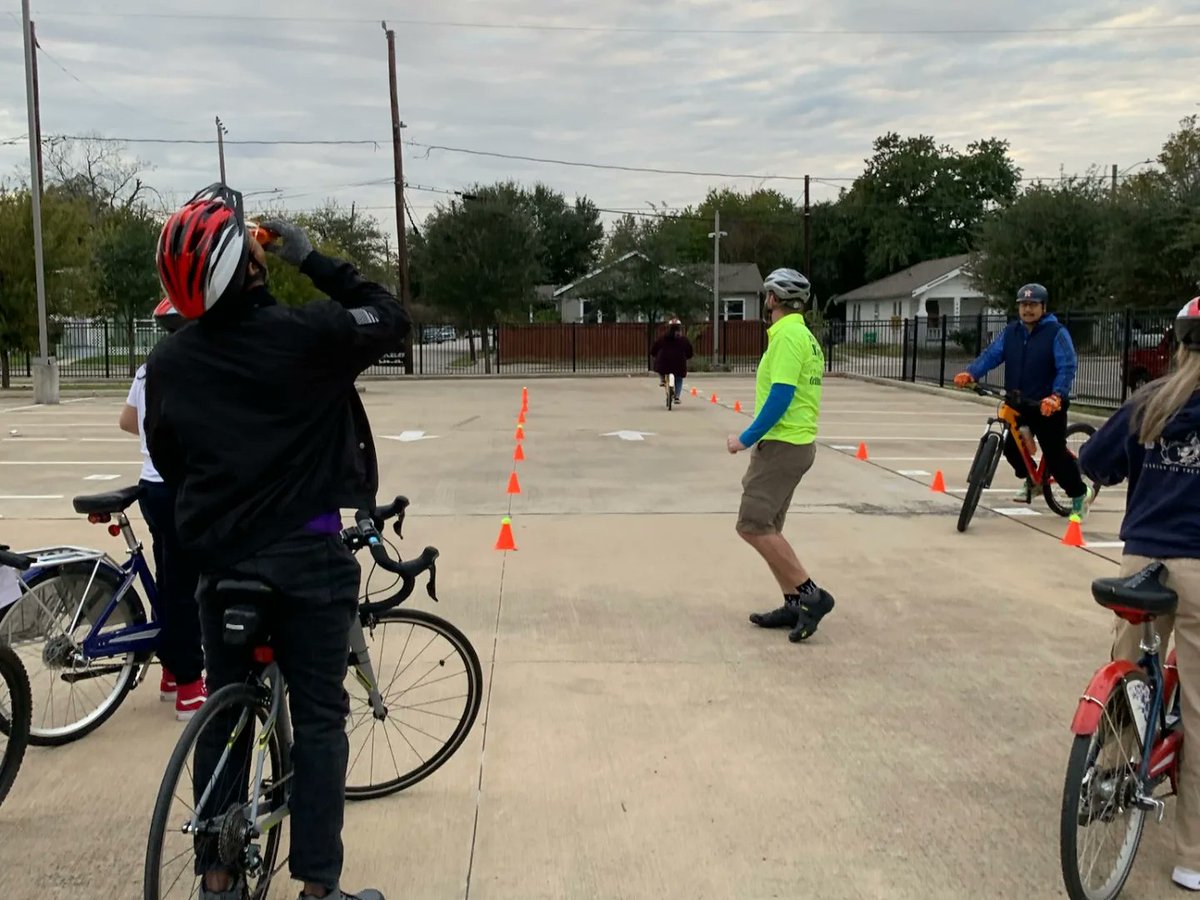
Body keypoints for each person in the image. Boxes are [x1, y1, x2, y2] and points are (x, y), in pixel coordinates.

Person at [145, 183, 409, 900]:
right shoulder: (308, 337)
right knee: (321, 720)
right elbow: (390, 316)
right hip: (308, 565)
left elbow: (168, 457)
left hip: (223, 567)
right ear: (252, 266)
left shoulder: (171, 362)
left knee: (225, 707)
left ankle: (218, 876)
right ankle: (320, 889)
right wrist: (312, 257)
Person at [1077, 297, 1200, 892]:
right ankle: (1193, 857)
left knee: (1128, 667)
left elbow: (1094, 461)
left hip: (1142, 562)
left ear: (1179, 343)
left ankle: (1107, 775)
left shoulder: (1149, 400)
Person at [726, 268, 834, 643]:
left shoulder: (788, 337)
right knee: (769, 528)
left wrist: (745, 437)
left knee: (751, 525)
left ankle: (811, 595)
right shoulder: (803, 335)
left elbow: (781, 396)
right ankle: (793, 603)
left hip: (783, 446)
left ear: (772, 299)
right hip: (796, 444)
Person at [118, 298, 205, 720]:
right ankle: (190, 687)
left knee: (169, 578)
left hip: (151, 486)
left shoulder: (149, 365)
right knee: (186, 587)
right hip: (178, 488)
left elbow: (127, 420)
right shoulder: (191, 364)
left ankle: (171, 671)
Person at [953, 282, 1095, 517]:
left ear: (1043, 307)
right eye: (1023, 305)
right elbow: (992, 355)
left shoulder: (1056, 333)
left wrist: (1057, 395)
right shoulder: (1011, 332)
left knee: (1055, 456)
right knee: (1011, 448)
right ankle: (1032, 481)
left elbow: (1066, 366)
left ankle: (1080, 493)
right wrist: (971, 373)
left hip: (1047, 406)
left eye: (1033, 305)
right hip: (1017, 403)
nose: (1027, 310)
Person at [650, 319, 693, 402]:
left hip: (664, 363)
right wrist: (688, 356)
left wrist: (654, 354)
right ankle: (677, 396)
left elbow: (655, 347)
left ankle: (663, 380)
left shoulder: (663, 337)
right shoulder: (683, 339)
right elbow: (689, 350)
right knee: (679, 379)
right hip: (679, 364)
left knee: (660, 369)